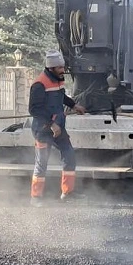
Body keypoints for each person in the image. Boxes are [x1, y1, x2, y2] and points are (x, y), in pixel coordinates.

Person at [29, 50, 86, 201]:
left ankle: (67, 193)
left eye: (63, 67)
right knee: (42, 163)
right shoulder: (39, 84)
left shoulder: (57, 80)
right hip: (43, 130)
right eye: (60, 68)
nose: (63, 71)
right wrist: (52, 124)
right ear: (51, 68)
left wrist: (74, 105)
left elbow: (61, 96)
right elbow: (34, 109)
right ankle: (36, 198)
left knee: (69, 156)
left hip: (59, 127)